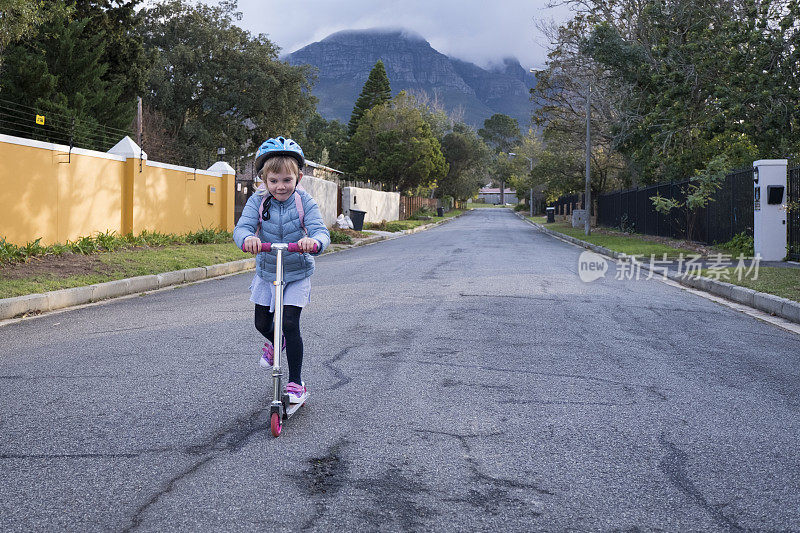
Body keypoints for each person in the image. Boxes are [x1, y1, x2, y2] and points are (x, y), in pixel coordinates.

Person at [233, 137, 330, 404]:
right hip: (267, 271)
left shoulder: (304, 202)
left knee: (289, 324)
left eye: (287, 180)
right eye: (273, 181)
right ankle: (277, 343)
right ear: (264, 180)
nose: (280, 186)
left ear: (298, 177)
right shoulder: (258, 201)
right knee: (261, 323)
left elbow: (321, 231)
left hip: (296, 272)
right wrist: (247, 239)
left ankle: (296, 383)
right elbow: (241, 228)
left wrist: (314, 242)